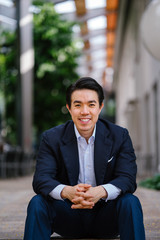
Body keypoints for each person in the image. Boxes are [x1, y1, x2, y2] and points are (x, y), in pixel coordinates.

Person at [23, 77, 145, 240]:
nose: (85, 111)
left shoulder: (119, 136)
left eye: (91, 104)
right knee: (37, 203)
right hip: (68, 215)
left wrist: (100, 192)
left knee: (130, 202)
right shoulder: (52, 138)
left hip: (106, 216)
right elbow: (41, 179)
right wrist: (67, 192)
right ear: (69, 108)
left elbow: (128, 179)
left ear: (100, 107)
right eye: (78, 105)